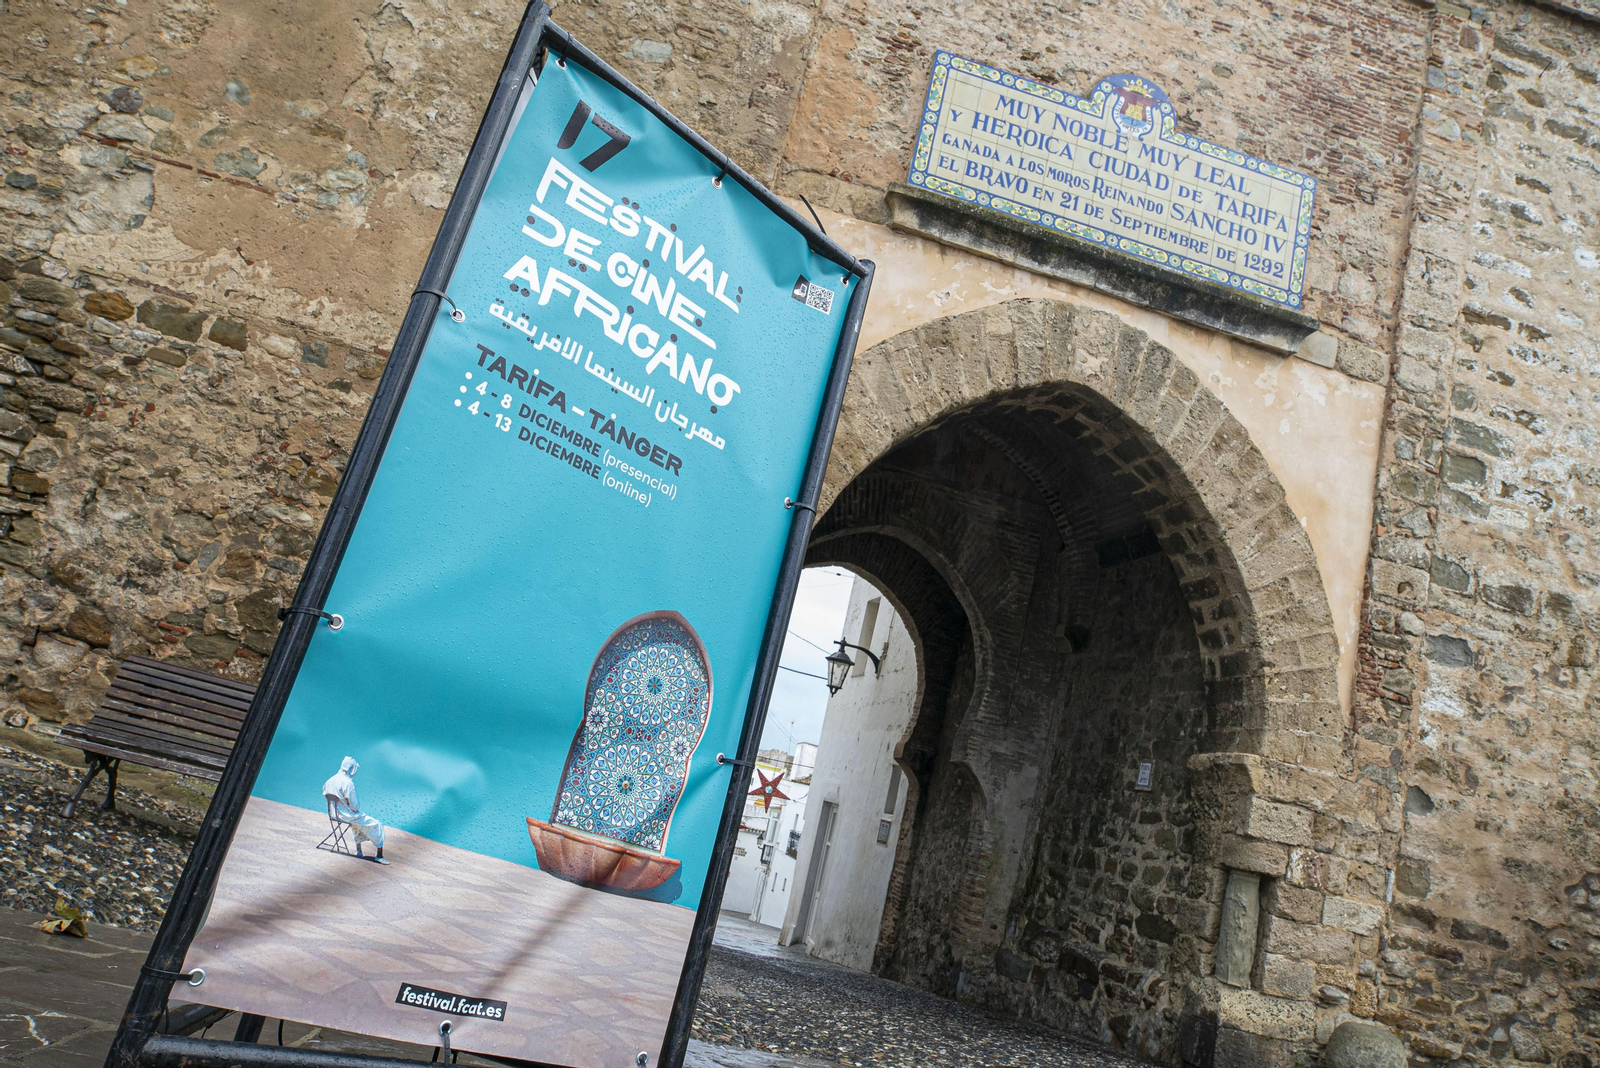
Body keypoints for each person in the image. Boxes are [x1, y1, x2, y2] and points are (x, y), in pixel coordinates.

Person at [322, 756, 388, 864]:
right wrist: (351, 808)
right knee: (377, 824)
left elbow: (326, 793)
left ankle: (359, 850)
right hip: (346, 815)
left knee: (356, 823)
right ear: (351, 768)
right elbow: (355, 806)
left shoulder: (330, 780)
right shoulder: (348, 783)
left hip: (333, 814)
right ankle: (379, 855)